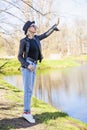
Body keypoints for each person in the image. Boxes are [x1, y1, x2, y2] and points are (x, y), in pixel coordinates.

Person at [18, 19, 60, 123]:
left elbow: (45, 34)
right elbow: (19, 56)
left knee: (30, 90)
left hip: (34, 65)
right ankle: (26, 113)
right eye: (33, 26)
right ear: (28, 29)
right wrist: (27, 65)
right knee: (28, 91)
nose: (35, 27)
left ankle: (26, 112)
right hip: (28, 66)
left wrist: (54, 26)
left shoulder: (36, 38)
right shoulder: (24, 41)